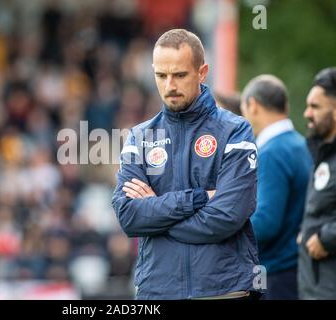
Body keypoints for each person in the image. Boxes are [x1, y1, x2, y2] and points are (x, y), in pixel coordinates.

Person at [111, 29, 261, 300]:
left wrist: (158, 215)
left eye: (180, 75)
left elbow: (227, 217)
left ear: (202, 72)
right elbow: (130, 217)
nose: (169, 86)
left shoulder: (235, 131)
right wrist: (201, 198)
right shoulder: (139, 136)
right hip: (157, 291)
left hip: (223, 290)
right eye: (161, 75)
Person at [240, 75, 312, 299]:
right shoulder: (301, 144)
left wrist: (223, 234)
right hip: (297, 269)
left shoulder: (272, 152)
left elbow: (266, 223)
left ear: (252, 105)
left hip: (276, 274)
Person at [298, 67, 336, 300]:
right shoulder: (321, 153)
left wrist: (326, 238)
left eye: (315, 106)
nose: (307, 114)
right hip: (315, 286)